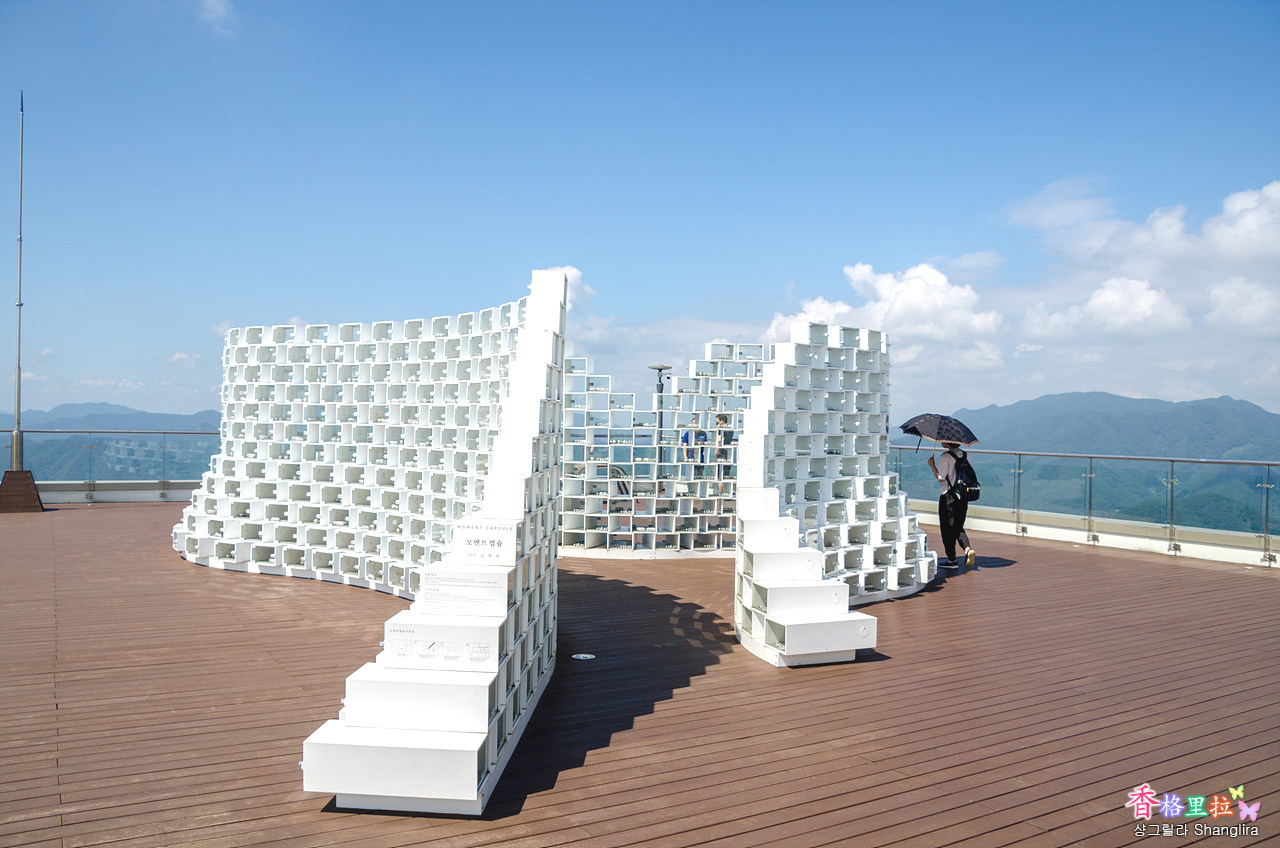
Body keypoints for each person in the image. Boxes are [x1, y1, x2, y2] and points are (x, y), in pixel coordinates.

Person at [928, 441, 976, 569]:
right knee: (958, 526)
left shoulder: (945, 457)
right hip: (963, 496)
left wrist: (932, 465)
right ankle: (967, 549)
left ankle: (951, 560)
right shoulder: (965, 455)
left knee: (947, 528)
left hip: (948, 496)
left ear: (947, 442)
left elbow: (941, 478)